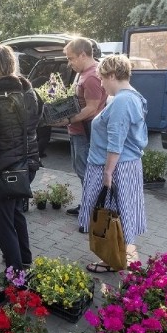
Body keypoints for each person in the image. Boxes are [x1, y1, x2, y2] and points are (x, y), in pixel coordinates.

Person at [78, 55, 147, 272]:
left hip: (114, 168)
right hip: (125, 166)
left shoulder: (122, 100)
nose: (101, 83)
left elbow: (116, 140)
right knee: (120, 211)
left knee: (111, 214)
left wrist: (108, 172)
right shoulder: (131, 96)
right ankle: (120, 253)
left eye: (102, 78)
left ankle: (111, 259)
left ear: (113, 75)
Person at [0, 45, 42, 272]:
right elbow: (36, 125)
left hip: (6, 167)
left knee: (2, 221)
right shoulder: (28, 91)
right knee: (15, 212)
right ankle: (24, 258)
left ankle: (15, 273)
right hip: (28, 163)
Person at [58, 38, 107, 222]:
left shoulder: (92, 76)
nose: (69, 63)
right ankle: (88, 205)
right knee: (82, 171)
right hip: (78, 131)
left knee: (87, 173)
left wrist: (67, 119)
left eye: (71, 58)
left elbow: (92, 108)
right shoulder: (84, 73)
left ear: (83, 54)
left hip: (85, 133)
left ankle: (91, 212)